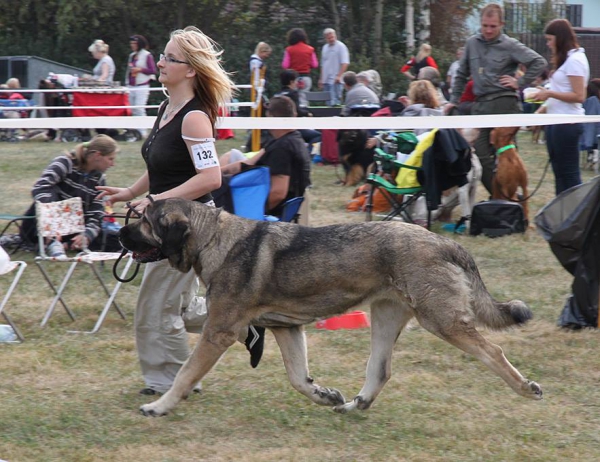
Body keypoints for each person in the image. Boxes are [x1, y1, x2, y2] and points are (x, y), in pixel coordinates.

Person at [97, 26, 259, 395]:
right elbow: (159, 165)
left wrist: (155, 200)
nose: (161, 61)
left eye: (171, 57)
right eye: (164, 55)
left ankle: (169, 382)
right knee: (181, 308)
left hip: (187, 228)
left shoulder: (194, 117)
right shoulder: (165, 107)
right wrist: (130, 192)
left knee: (156, 306)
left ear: (190, 70)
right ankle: (246, 324)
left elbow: (211, 177)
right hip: (168, 220)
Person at [445, 3, 547, 195]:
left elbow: (539, 62)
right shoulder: (472, 44)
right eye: (485, 25)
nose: (488, 30)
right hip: (481, 105)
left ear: (502, 24)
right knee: (481, 156)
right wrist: (454, 100)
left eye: (493, 26)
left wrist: (521, 82)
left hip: (504, 103)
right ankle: (500, 199)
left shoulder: (510, 45)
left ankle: (509, 203)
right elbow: (461, 74)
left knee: (508, 156)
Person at [18, 135, 119, 256]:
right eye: (110, 159)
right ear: (98, 155)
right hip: (44, 222)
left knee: (116, 239)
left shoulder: (99, 179)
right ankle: (52, 243)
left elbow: (97, 213)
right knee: (49, 194)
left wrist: (86, 235)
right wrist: (54, 220)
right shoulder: (65, 163)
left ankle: (67, 244)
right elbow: (40, 187)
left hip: (73, 228)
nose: (113, 164)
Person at [220, 95, 312, 218]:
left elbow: (278, 193)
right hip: (260, 196)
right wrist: (216, 174)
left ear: (271, 117)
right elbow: (248, 163)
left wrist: (251, 215)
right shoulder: (289, 139)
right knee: (228, 162)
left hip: (262, 213)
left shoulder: (282, 149)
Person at [533, 19, 589, 196]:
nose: (548, 44)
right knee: (559, 174)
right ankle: (562, 217)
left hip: (568, 124)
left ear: (560, 38)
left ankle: (578, 219)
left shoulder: (575, 60)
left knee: (570, 176)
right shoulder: (567, 59)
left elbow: (579, 96)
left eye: (550, 40)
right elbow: (561, 89)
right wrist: (543, 107)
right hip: (556, 122)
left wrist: (549, 94)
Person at [126, 34, 157, 137]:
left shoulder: (147, 55)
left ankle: (142, 131)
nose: (132, 45)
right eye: (131, 43)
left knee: (139, 108)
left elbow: (153, 70)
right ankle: (134, 130)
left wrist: (140, 69)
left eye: (134, 43)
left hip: (142, 85)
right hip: (131, 85)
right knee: (132, 109)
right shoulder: (132, 55)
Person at [281, 28, 318, 107]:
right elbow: (315, 65)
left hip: (293, 79)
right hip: (306, 77)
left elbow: (285, 65)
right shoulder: (310, 49)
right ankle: (304, 114)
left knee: (293, 98)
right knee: (303, 98)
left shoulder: (289, 49)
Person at [318, 28, 350, 106]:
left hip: (336, 80)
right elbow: (323, 64)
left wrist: (339, 76)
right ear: (325, 38)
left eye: (332, 37)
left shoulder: (341, 46)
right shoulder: (325, 47)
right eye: (329, 38)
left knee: (335, 101)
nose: (331, 39)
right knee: (327, 101)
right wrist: (321, 78)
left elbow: (345, 62)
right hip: (326, 80)